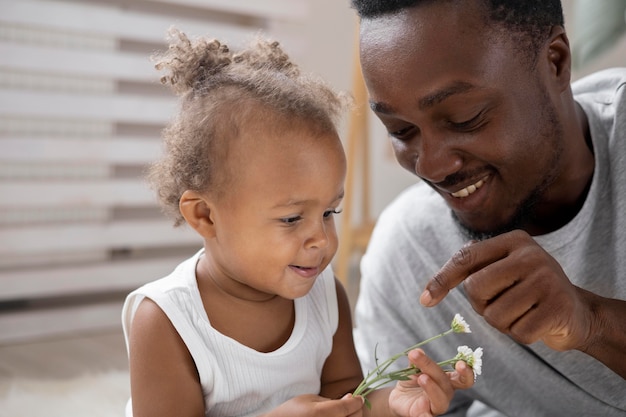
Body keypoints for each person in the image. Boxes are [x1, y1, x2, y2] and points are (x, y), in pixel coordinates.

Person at [121, 28, 475, 417]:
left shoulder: (323, 295)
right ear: (205, 216)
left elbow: (346, 401)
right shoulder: (165, 319)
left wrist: (397, 403)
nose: (320, 239)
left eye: (329, 213)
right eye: (291, 218)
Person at [350, 0, 626, 416]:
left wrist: (591, 322)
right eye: (401, 131)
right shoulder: (407, 253)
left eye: (465, 118)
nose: (432, 166)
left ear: (555, 62)